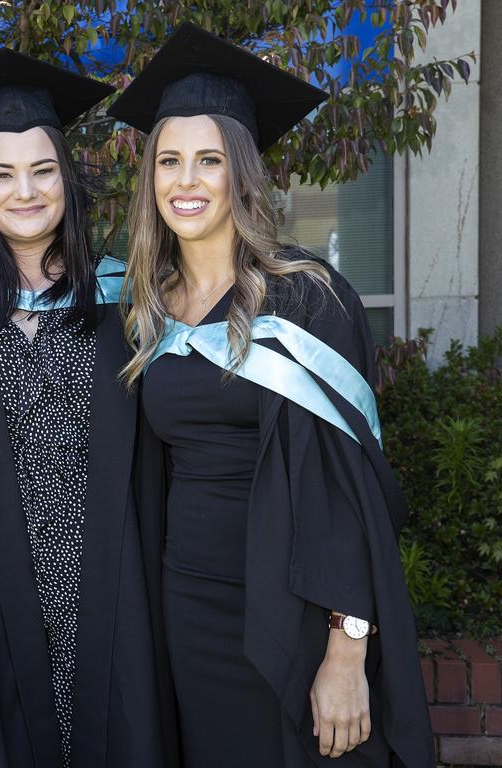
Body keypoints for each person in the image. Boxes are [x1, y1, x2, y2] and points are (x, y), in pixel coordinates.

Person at [109, 23, 435, 767]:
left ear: (242, 173)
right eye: (168, 161)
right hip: (187, 607)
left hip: (291, 608)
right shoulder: (147, 309)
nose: (185, 182)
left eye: (209, 161)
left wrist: (347, 649)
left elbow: (351, 492)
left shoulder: (306, 300)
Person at [0, 49, 177, 768]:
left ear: (67, 178)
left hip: (114, 580)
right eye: (2, 173)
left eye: (42, 170)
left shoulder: (132, 299)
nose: (23, 190)